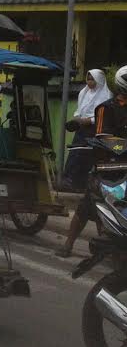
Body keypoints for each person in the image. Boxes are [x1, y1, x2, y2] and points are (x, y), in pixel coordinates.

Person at [57, 65, 127, 257]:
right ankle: (68, 244)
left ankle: (111, 247)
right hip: (108, 167)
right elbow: (103, 137)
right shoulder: (107, 108)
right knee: (89, 205)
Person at [70, 69, 113, 145]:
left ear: (99, 79)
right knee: (77, 149)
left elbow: (106, 115)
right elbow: (79, 109)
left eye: (92, 79)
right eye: (88, 79)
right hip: (81, 129)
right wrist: (76, 117)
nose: (89, 82)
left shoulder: (106, 95)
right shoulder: (83, 92)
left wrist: (90, 121)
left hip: (96, 130)